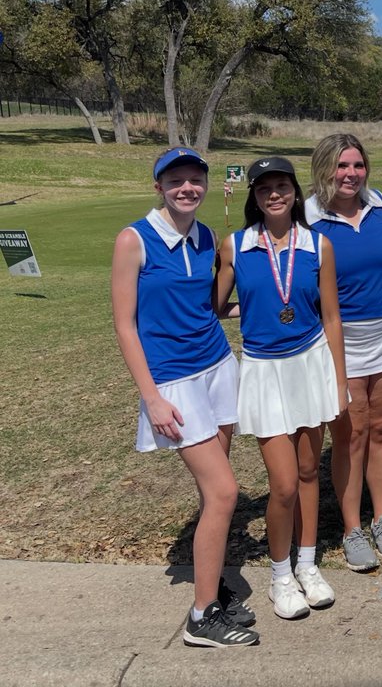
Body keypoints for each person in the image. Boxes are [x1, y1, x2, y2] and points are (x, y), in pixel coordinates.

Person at [112, 148, 259, 648]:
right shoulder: (134, 240)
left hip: (218, 368)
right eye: (176, 180)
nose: (187, 188)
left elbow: (207, 308)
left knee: (211, 492)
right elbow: (125, 326)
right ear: (159, 186)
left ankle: (211, 583)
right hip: (173, 383)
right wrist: (150, 398)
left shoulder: (205, 239)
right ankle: (201, 618)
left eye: (196, 179)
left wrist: (262, 306)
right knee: (223, 492)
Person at [215, 156, 348, 621]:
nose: (275, 193)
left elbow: (331, 316)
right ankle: (280, 575)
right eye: (264, 187)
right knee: (285, 484)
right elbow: (214, 304)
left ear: (295, 191)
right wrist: (246, 311)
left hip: (311, 365)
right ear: (253, 196)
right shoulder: (235, 245)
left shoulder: (319, 245)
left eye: (282, 185)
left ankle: (308, 565)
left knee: (310, 473)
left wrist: (340, 380)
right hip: (264, 370)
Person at [305, 134, 382, 571]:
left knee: (381, 429)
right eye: (341, 166)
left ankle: (381, 518)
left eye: (357, 165)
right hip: (339, 341)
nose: (350, 174)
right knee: (351, 434)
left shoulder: (380, 204)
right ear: (324, 168)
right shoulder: (307, 217)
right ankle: (351, 528)